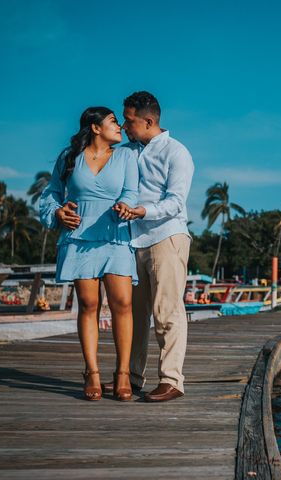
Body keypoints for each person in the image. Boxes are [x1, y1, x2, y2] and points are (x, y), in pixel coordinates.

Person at [40, 106, 138, 402]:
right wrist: (57, 213)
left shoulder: (125, 157)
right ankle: (92, 372)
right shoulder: (68, 157)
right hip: (78, 237)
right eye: (112, 122)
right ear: (95, 127)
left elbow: (131, 192)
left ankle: (122, 374)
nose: (119, 126)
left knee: (122, 302)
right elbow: (52, 193)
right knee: (88, 303)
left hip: (114, 235)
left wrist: (124, 205)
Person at [104, 91, 194, 403]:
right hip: (132, 241)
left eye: (129, 121)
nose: (125, 126)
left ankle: (172, 380)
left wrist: (143, 211)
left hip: (166, 236)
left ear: (149, 121)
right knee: (135, 314)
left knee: (166, 310)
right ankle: (132, 377)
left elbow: (176, 201)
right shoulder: (126, 151)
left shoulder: (176, 152)